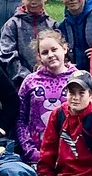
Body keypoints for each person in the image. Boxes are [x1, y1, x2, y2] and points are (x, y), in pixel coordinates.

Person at [15, 30, 75, 164]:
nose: (50, 55)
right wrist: (29, 150)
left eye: (54, 49)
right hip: (37, 155)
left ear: (65, 49)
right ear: (39, 56)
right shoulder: (30, 81)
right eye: (45, 52)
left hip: (71, 155)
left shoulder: (78, 78)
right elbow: (20, 119)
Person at [0, 0, 55, 82]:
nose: (33, 1)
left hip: (50, 81)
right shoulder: (12, 25)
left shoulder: (52, 25)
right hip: (20, 83)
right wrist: (27, 77)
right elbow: (7, 55)